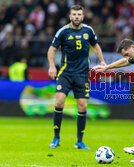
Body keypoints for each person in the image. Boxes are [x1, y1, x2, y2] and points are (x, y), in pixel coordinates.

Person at [47, 5, 106, 149]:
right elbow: (52, 49)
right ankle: (56, 138)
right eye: (74, 14)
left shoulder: (88, 31)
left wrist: (103, 61)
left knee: (83, 106)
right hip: (65, 73)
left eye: (79, 14)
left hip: (82, 74)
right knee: (59, 102)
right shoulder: (63, 31)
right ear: (70, 16)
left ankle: (79, 141)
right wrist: (52, 66)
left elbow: (96, 46)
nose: (77, 17)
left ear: (83, 16)